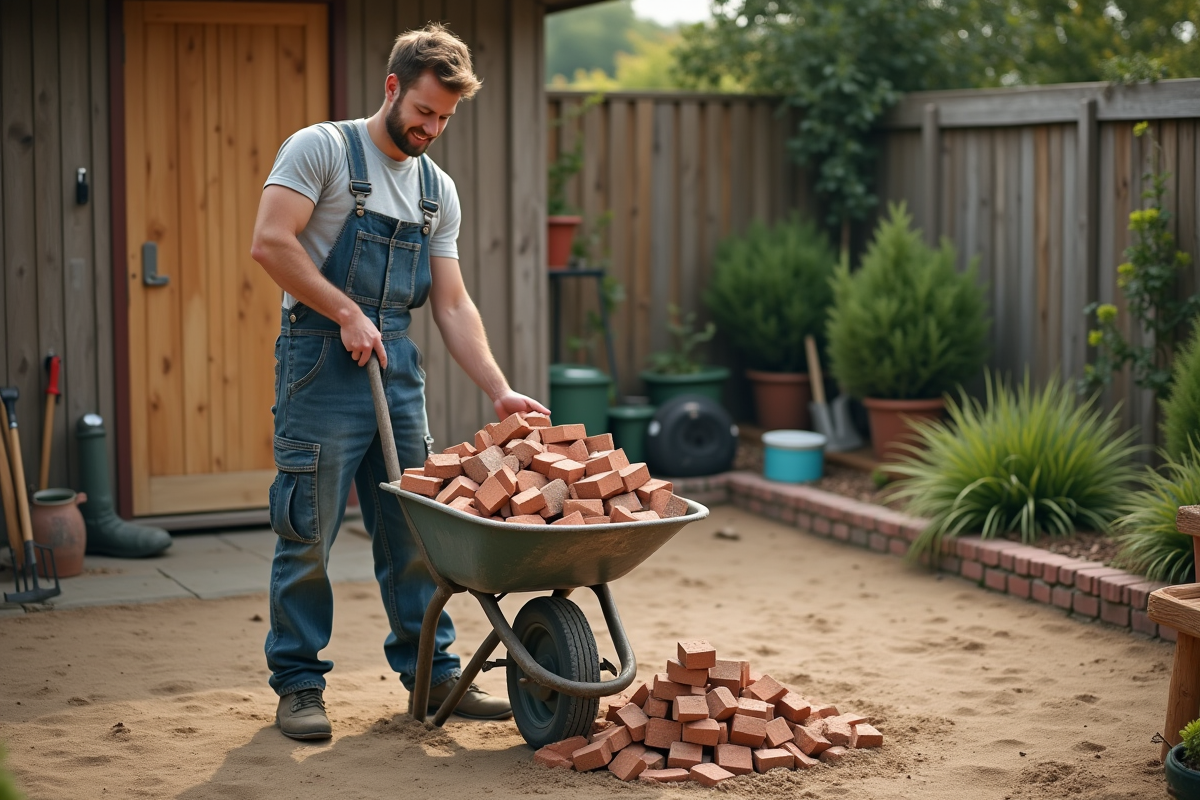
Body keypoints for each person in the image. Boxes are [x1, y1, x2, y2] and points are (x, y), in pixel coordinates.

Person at [250, 23, 549, 741]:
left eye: (445, 118)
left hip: (396, 368)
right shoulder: (322, 148)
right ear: (392, 87)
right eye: (424, 111)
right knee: (306, 533)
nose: (431, 128)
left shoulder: (435, 189)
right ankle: (298, 684)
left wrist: (499, 389)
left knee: (419, 534)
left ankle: (431, 674)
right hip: (319, 360)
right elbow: (271, 242)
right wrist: (346, 311)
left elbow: (451, 302)